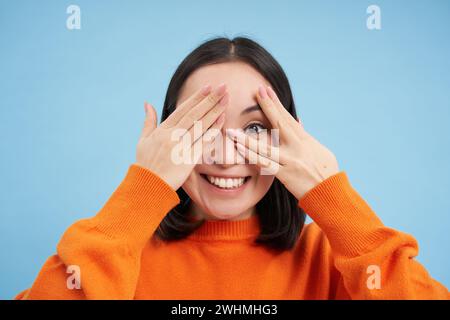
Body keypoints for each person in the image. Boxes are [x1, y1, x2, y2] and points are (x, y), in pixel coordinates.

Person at [15, 37, 449, 299]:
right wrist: (140, 194)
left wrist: (332, 196)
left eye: (255, 128)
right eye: (203, 124)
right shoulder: (118, 254)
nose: (226, 156)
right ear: (167, 138)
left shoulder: (331, 260)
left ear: (288, 136)